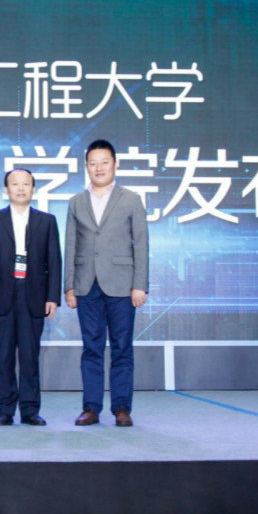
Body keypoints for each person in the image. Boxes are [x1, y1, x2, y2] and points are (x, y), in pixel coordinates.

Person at [63, 139, 149, 428]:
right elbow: (71, 246)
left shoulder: (131, 199)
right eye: (93, 163)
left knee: (122, 347)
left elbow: (142, 244)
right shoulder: (76, 201)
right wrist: (69, 286)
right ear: (86, 167)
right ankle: (91, 408)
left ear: (115, 164)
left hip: (122, 285)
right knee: (91, 348)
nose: (99, 168)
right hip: (86, 285)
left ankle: (122, 408)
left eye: (104, 162)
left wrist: (140, 285)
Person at [0, 168, 62, 427]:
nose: (21, 188)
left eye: (26, 184)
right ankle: (4, 410)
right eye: (15, 184)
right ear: (6, 190)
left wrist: (52, 297)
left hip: (34, 295)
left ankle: (30, 409)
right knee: (3, 356)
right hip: (1, 295)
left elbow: (54, 262)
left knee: (29, 356)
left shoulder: (47, 221)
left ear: (33, 189)